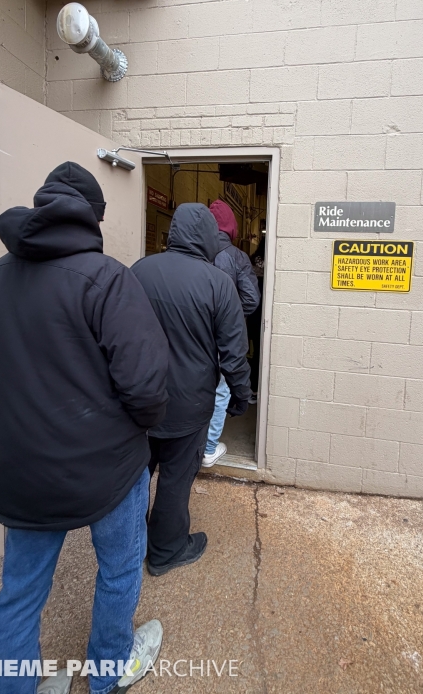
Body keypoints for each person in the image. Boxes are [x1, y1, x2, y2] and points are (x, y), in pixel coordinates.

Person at [0, 162, 169, 694]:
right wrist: (143, 430)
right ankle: (107, 674)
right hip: (108, 468)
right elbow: (146, 387)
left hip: (24, 469)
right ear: (92, 218)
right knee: (119, 571)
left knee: (20, 594)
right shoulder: (108, 279)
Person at [131, 203, 251, 577]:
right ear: (208, 237)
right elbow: (234, 353)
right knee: (175, 479)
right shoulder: (219, 283)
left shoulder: (139, 271)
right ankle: (166, 551)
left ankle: (129, 549)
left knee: (134, 478)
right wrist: (240, 396)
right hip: (190, 405)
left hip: (138, 400)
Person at [202, 199, 260, 467]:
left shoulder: (194, 253)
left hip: (195, 334)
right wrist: (231, 319)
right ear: (232, 227)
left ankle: (192, 443)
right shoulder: (237, 257)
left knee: (196, 386)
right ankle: (208, 448)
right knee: (221, 390)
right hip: (223, 336)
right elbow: (251, 299)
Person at [247, 236, 266, 404]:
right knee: (260, 354)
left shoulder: (251, 262)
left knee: (251, 353)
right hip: (263, 317)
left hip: (251, 315)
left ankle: (250, 389)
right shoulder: (272, 265)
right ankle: (255, 389)